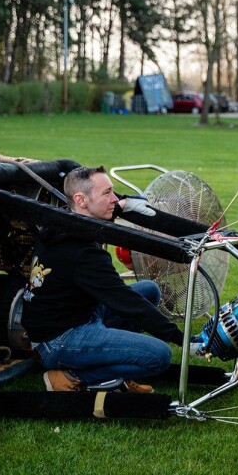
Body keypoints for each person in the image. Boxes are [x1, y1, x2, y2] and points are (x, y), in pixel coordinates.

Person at [22, 165, 190, 393]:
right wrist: (182, 338)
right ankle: (70, 376)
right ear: (81, 200)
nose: (114, 199)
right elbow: (124, 301)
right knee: (159, 356)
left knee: (149, 290)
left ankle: (110, 366)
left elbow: (99, 219)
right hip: (58, 339)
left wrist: (124, 205)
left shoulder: (63, 220)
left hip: (75, 315)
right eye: (107, 194)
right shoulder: (82, 253)